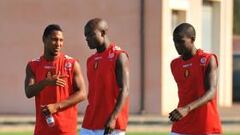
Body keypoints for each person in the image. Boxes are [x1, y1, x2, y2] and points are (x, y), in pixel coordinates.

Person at [24, 24, 86, 135]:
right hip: (42, 130)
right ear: (44, 39)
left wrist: (56, 106)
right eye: (54, 40)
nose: (58, 44)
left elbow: (82, 93)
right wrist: (46, 82)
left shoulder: (71, 64)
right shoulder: (33, 65)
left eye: (61, 40)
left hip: (66, 130)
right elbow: (28, 92)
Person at [169, 23, 222, 135]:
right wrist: (182, 110)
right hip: (181, 124)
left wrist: (186, 109)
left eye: (181, 41)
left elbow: (211, 92)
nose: (177, 45)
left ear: (192, 39)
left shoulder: (207, 59)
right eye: (174, 41)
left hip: (205, 125)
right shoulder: (174, 64)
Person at [80, 18, 130, 135]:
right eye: (85, 36)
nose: (87, 39)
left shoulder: (119, 56)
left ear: (102, 33)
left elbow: (125, 90)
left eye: (90, 35)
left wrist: (113, 118)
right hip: (89, 122)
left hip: (111, 124)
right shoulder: (90, 60)